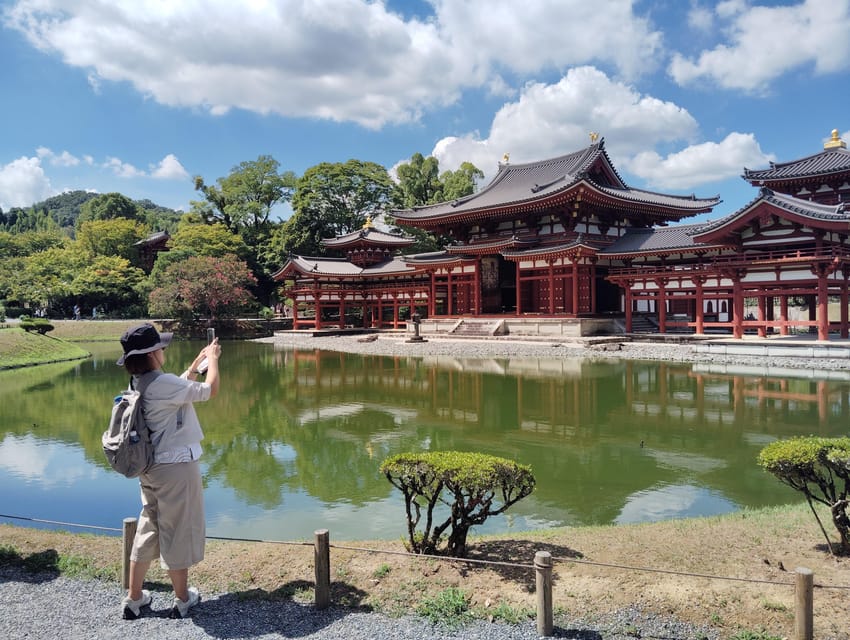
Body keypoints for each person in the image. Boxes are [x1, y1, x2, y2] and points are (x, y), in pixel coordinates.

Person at [116, 323, 220, 620]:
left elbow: (178, 391)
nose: (163, 350)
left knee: (150, 525)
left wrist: (193, 368)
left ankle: (135, 598)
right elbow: (210, 391)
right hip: (175, 467)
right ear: (152, 353)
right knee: (178, 528)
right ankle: (183, 599)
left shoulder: (140, 382)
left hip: (150, 468)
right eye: (159, 347)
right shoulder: (163, 384)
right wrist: (212, 360)